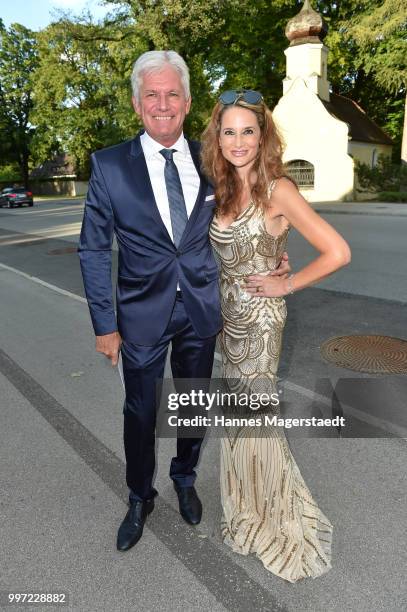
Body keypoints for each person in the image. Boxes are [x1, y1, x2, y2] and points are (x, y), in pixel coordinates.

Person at [78, 51, 290, 553]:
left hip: (201, 307)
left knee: (193, 403)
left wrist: (281, 263)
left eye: (173, 93)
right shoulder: (109, 166)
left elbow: (259, 213)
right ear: (137, 104)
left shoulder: (214, 158)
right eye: (152, 94)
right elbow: (92, 248)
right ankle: (138, 495)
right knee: (140, 409)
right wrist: (105, 326)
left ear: (189, 101)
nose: (163, 103)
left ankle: (185, 477)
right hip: (141, 315)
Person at [201, 89, 351, 582]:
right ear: (217, 138)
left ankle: (275, 518)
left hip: (262, 323)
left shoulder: (277, 189)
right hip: (229, 323)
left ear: (263, 136)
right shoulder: (221, 189)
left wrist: (286, 280)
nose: (238, 140)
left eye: (248, 130)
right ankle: (247, 507)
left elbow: (337, 253)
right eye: (229, 131)